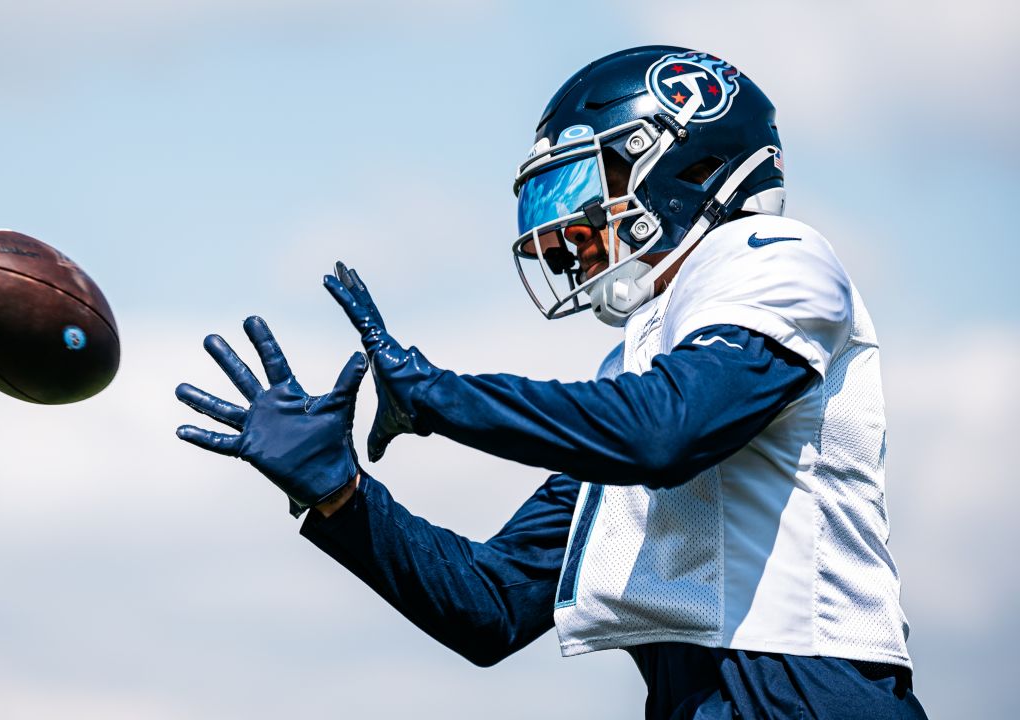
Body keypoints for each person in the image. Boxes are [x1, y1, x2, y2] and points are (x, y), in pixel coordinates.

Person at [175, 45, 928, 719]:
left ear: (682, 165)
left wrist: (435, 395)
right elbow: (490, 606)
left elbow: (664, 433)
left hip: (812, 692)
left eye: (582, 189)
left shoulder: (774, 257)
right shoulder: (634, 374)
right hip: (693, 698)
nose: (567, 232)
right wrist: (340, 495)